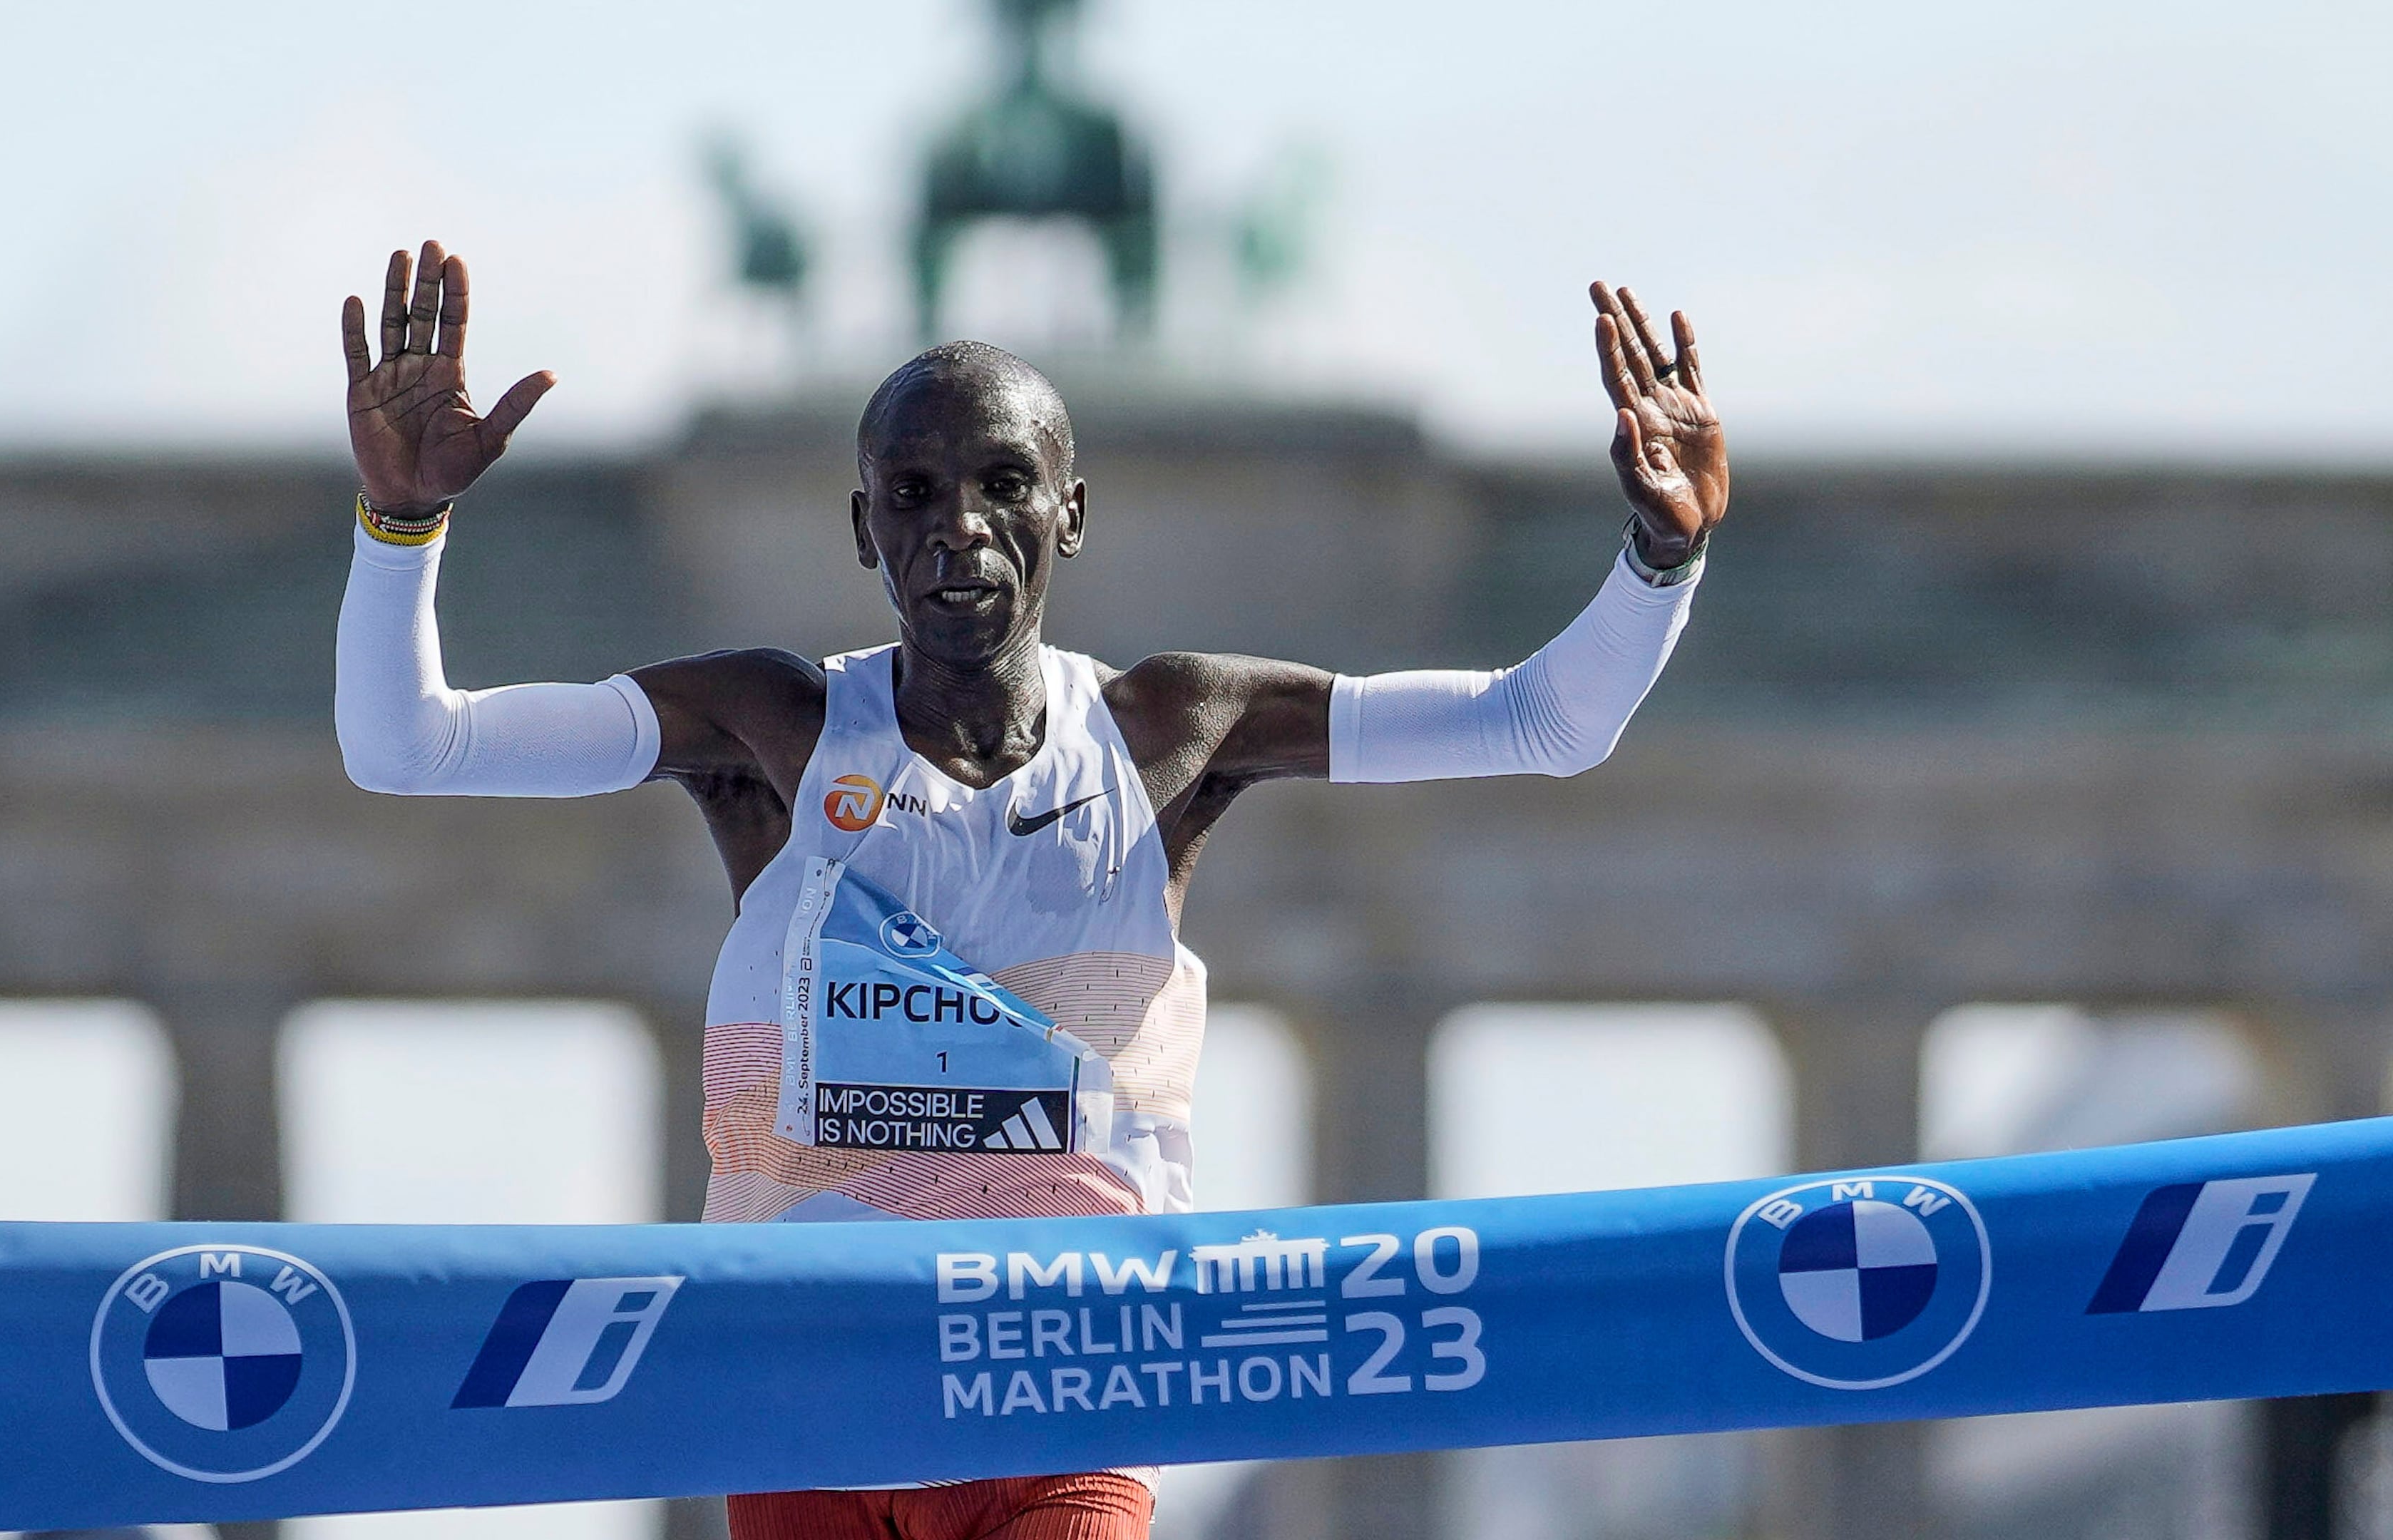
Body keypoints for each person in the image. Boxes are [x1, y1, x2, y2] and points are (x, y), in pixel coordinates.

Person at [333, 240, 1728, 1540]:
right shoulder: (773, 725)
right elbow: (409, 749)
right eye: (915, 494)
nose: (962, 528)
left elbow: (1542, 723)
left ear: (1072, 511)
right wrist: (400, 527)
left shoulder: (1174, 726)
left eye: (1005, 484)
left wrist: (1660, 558)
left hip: (1064, 1395)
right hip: (796, 1389)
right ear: (864, 528)